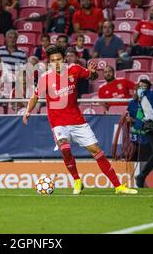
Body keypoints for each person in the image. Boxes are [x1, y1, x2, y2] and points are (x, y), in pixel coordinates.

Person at [23, 46, 137, 195]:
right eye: (52, 61)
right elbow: (35, 96)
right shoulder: (45, 78)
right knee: (65, 148)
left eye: (58, 59)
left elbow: (92, 76)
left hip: (77, 120)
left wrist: (94, 73)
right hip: (58, 122)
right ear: (48, 63)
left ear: (64, 59)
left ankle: (118, 186)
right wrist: (27, 111)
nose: (56, 63)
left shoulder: (74, 69)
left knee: (96, 151)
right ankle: (77, 180)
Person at [126, 79, 152, 161]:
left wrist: (134, 121)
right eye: (140, 87)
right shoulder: (132, 103)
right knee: (130, 165)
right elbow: (127, 118)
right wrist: (127, 119)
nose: (141, 89)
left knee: (144, 165)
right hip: (133, 142)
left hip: (146, 142)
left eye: (144, 87)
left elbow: (149, 121)